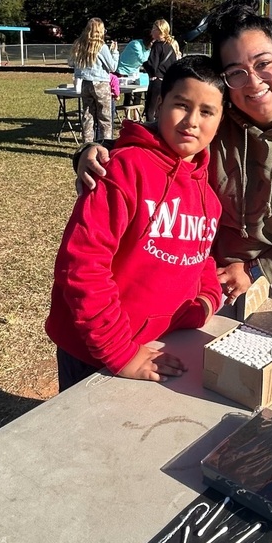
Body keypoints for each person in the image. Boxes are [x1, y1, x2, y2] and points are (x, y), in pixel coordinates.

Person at [75, 0, 272, 302]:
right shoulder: (215, 119)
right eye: (236, 73)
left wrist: (258, 271)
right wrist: (93, 151)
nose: (253, 82)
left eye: (263, 63)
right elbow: (154, 141)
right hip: (193, 276)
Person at [46, 55, 225, 390]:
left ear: (220, 120)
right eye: (181, 104)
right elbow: (82, 266)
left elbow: (199, 255)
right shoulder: (121, 170)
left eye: (207, 111)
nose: (191, 121)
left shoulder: (207, 193)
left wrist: (206, 300)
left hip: (154, 347)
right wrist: (121, 353)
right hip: (93, 349)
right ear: (159, 103)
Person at [70, 18, 118, 143]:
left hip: (85, 83)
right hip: (100, 83)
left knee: (88, 115)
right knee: (105, 117)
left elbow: (71, 63)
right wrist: (115, 53)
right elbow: (112, 67)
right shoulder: (101, 47)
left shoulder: (79, 45)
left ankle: (87, 145)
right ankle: (105, 144)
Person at [143, 18, 180, 121]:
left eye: (153, 29)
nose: (151, 31)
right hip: (167, 82)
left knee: (150, 110)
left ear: (159, 31)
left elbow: (152, 64)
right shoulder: (170, 46)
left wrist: (145, 65)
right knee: (162, 109)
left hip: (157, 81)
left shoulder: (157, 46)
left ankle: (150, 132)